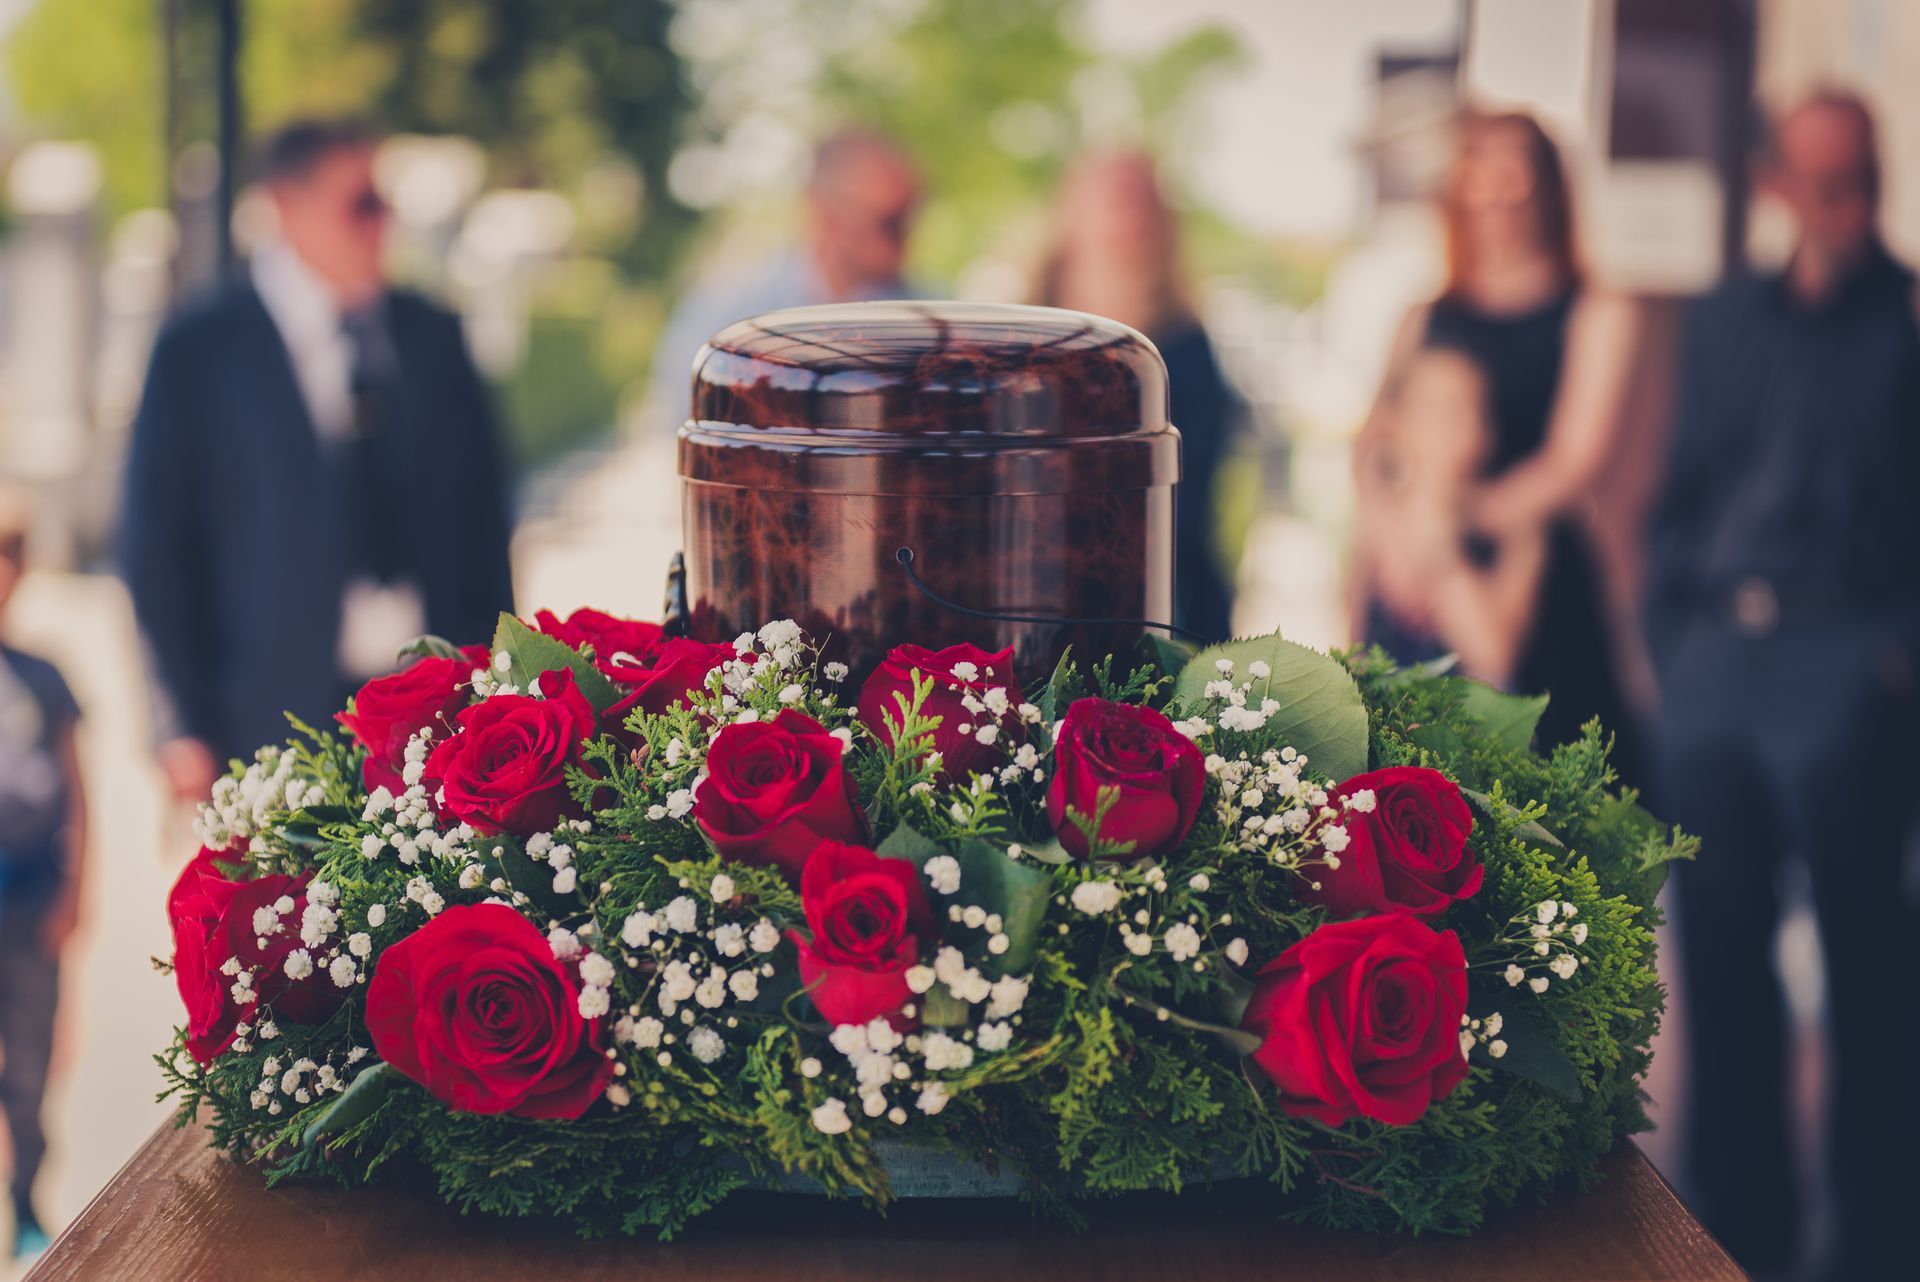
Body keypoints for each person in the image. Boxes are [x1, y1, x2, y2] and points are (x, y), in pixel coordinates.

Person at [1645, 91, 1920, 1282]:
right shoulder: (1726, 318)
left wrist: (1891, 656)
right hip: (1718, 656)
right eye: (1816, 180)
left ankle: (1874, 1242)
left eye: (1856, 178)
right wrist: (1672, 637)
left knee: (1868, 963)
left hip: (1846, 662)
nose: (1838, 204)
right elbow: (1687, 477)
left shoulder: (1908, 319)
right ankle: (1731, 1236)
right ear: (1776, 186)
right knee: (1716, 955)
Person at [123, 118, 515, 800]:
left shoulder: (433, 335)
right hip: (268, 721)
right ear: (285, 205)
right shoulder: (197, 350)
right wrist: (176, 721)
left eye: (384, 203)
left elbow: (483, 523)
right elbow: (155, 544)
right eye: (361, 204)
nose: (382, 224)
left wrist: (502, 687)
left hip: (434, 720)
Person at [1355, 110, 1641, 781]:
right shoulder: (1425, 314)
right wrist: (1400, 546)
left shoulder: (1598, 307)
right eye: (1477, 172)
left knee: (1548, 798)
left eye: (1514, 173)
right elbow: (1373, 445)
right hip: (1411, 570)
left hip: (1528, 566)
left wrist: (1445, 533)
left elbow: (1571, 462)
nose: (1496, 194)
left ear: (1548, 187)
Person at [1037, 150, 1241, 641]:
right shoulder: (1029, 330)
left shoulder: (1187, 345)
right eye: (1110, 198)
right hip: (1038, 582)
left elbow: (1189, 498)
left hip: (1165, 590)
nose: (1123, 215)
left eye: (1137, 200)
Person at [649, 127, 922, 427]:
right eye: (891, 223)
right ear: (828, 216)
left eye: (912, 215)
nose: (908, 237)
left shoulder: (929, 320)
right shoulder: (722, 321)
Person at [0, 492, 87, 1263]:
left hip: (28, 895)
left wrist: (75, 891)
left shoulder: (42, 676)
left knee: (28, 1063)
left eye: (9, 553)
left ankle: (25, 1198)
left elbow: (75, 787)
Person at [1348, 347, 1545, 685]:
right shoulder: (1378, 522)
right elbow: (1354, 654)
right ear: (1398, 424)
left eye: (1473, 407)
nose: (1458, 424)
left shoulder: (1516, 529)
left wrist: (1438, 527)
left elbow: (1492, 661)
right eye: (1438, 409)